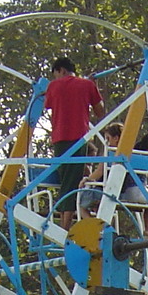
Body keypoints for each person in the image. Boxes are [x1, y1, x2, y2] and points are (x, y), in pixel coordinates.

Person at [44, 57, 104, 227]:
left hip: (59, 138)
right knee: (73, 180)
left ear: (60, 70)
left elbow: (49, 107)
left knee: (67, 180)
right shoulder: (86, 85)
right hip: (79, 138)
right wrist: (93, 86)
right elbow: (100, 112)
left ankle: (65, 223)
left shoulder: (53, 86)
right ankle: (65, 225)